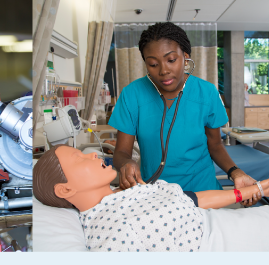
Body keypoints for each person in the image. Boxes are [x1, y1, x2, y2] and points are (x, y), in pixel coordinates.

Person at [110, 22, 260, 205]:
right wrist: (126, 164)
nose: (164, 71)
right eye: (153, 64)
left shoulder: (206, 93)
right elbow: (122, 151)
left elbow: (215, 146)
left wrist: (236, 172)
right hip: (155, 196)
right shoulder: (132, 95)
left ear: (185, 57)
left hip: (203, 192)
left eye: (171, 60)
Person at [34, 145, 269, 252]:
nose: (91, 155)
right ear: (65, 190)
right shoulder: (112, 232)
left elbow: (191, 199)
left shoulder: (127, 193)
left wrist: (255, 191)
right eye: (79, 158)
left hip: (258, 220)